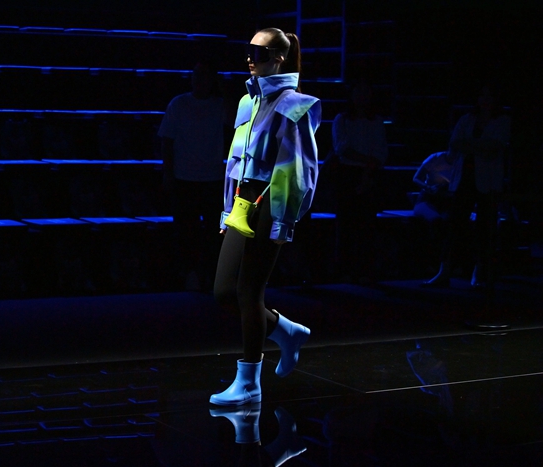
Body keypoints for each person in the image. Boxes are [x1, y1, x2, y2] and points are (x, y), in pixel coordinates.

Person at [210, 28, 321, 406]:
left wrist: (283, 221)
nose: (250, 59)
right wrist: (228, 210)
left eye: (258, 52)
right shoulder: (248, 101)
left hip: (269, 202)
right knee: (224, 291)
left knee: (248, 293)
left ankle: (249, 382)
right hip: (243, 202)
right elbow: (234, 161)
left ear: (279, 58)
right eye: (249, 51)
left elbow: (297, 170)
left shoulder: (296, 105)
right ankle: (286, 331)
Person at [422, 84, 511, 288]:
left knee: (485, 227)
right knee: (454, 226)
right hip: (464, 179)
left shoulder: (502, 121)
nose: (485, 99)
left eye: (489, 95)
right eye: (482, 95)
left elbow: (494, 147)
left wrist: (470, 145)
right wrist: (480, 146)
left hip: (488, 181)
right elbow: (455, 144)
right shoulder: (467, 119)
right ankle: (445, 270)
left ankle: (479, 272)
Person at [158, 61, 229, 290]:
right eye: (196, 75)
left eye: (204, 76)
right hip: (184, 178)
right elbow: (167, 140)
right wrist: (168, 173)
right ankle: (190, 272)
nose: (199, 81)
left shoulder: (220, 106)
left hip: (212, 178)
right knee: (186, 231)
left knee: (212, 232)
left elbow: (238, 122)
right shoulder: (178, 104)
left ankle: (208, 273)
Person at [327, 82, 388, 285]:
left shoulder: (376, 121)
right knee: (345, 225)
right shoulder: (342, 119)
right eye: (358, 91)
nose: (362, 96)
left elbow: (381, 150)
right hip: (347, 174)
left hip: (370, 173)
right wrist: (367, 161)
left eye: (366, 92)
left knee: (366, 225)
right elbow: (341, 148)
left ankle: (364, 269)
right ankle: (344, 269)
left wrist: (369, 169)